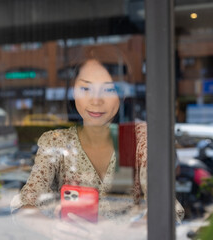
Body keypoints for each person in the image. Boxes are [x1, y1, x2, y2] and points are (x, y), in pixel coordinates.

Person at [10, 58, 184, 238]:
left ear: (121, 94)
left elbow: (168, 209)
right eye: (85, 89)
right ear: (74, 93)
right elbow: (23, 206)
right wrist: (50, 228)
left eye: (108, 89)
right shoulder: (56, 143)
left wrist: (119, 232)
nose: (96, 100)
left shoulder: (139, 139)